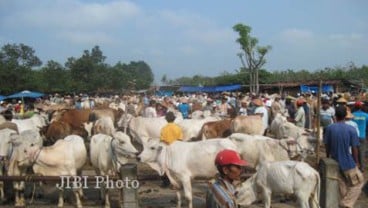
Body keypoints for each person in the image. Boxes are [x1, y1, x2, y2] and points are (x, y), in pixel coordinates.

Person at [323, 105, 364, 208]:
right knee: (359, 183)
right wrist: (356, 162)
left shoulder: (329, 128)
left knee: (342, 185)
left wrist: (328, 157)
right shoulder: (351, 129)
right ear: (346, 116)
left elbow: (326, 145)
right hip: (348, 163)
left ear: (335, 116)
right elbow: (354, 148)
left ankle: (343, 203)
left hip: (334, 162)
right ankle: (346, 204)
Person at [159, 111, 183, 187]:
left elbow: (162, 139)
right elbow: (180, 139)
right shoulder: (178, 128)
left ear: (166, 120)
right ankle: (177, 181)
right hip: (176, 148)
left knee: (165, 166)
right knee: (176, 165)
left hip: (167, 148)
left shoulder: (164, 128)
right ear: (174, 119)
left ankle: (166, 182)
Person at [352, 101, 368, 172]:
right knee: (362, 152)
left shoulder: (352, 115)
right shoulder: (366, 115)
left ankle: (354, 166)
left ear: (355, 107)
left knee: (353, 151)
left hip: (353, 136)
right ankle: (362, 167)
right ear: (361, 107)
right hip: (362, 136)